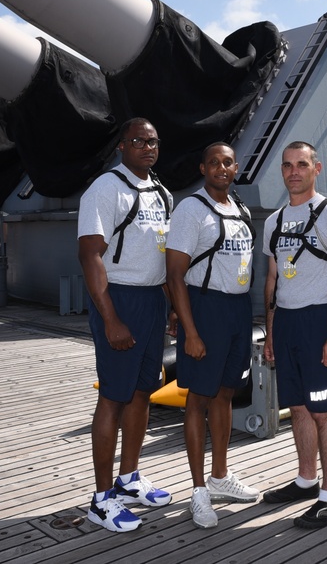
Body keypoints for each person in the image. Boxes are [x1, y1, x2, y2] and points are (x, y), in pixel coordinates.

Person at [77, 117, 174, 532]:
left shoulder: (162, 192)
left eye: (153, 142)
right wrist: (111, 317)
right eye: (139, 141)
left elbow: (162, 254)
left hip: (152, 300)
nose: (148, 148)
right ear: (122, 146)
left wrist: (169, 306)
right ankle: (101, 501)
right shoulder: (105, 189)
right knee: (113, 398)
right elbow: (90, 256)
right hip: (120, 299)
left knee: (141, 393)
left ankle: (129, 478)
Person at [261, 140, 327, 529]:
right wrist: (270, 334)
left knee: (324, 411)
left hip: (321, 321)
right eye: (287, 165)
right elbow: (271, 283)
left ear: (316, 169)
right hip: (286, 324)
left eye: (302, 164)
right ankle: (306, 480)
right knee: (299, 408)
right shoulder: (273, 221)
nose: (293, 172)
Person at [165, 142, 261, 529]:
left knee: (225, 393)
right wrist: (189, 330)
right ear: (202, 168)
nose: (221, 168)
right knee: (199, 399)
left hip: (237, 310)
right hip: (206, 309)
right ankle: (199, 490)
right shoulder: (191, 209)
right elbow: (174, 275)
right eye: (214, 163)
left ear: (235, 167)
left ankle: (220, 476)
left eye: (227, 162)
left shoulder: (241, 209)